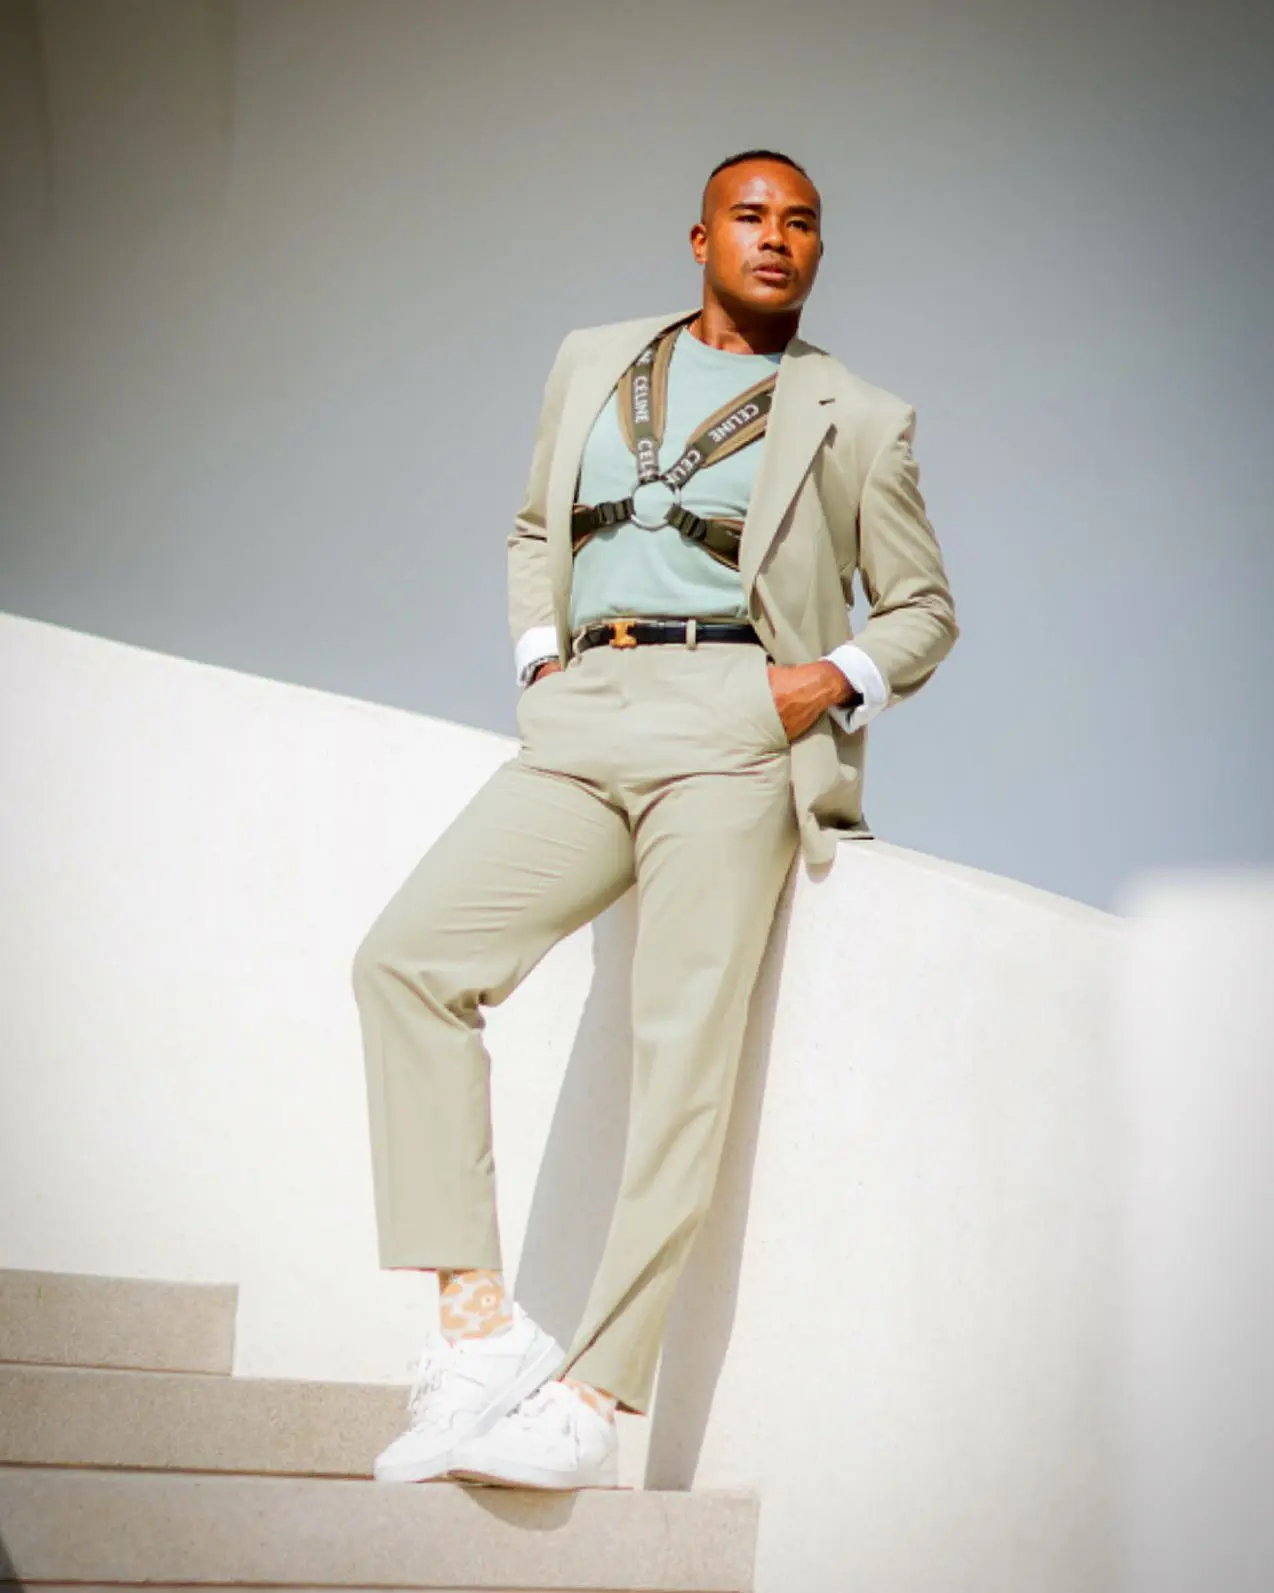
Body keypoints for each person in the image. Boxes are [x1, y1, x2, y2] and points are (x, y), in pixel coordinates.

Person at [353, 147, 958, 1491]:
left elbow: (922, 608)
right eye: (750, 216)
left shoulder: (859, 416)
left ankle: (593, 1399)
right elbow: (535, 525)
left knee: (680, 1060)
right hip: (583, 714)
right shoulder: (593, 358)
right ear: (699, 238)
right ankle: (476, 1329)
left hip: (734, 726)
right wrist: (537, 661)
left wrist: (815, 685)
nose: (776, 238)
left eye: (801, 223)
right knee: (407, 962)